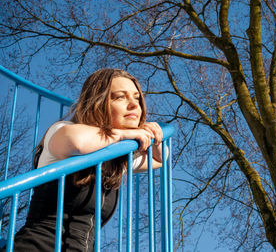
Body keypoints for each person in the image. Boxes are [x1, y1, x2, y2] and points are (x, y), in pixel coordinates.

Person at [7, 68, 165, 251]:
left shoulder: (114, 158)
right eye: (120, 97)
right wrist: (123, 134)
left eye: (136, 98)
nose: (133, 105)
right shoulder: (61, 130)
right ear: (98, 103)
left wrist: (153, 134)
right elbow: (78, 142)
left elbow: (160, 159)